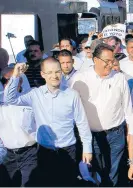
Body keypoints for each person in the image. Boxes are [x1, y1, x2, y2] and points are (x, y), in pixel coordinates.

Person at [4, 57, 92, 186]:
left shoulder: (72, 95)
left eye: (57, 72)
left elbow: (82, 123)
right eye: (49, 72)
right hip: (44, 152)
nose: (54, 76)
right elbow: (10, 99)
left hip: (68, 150)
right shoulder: (35, 94)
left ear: (61, 72)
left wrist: (87, 149)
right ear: (42, 74)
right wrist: (16, 74)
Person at [70, 43, 133, 186]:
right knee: (96, 172)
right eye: (107, 61)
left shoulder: (119, 78)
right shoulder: (80, 78)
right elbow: (71, 108)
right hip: (92, 137)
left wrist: (130, 133)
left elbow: (127, 108)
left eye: (113, 61)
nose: (111, 65)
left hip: (116, 135)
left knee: (113, 173)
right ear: (95, 59)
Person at [0, 67, 38, 187]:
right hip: (7, 156)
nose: (8, 84)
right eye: (4, 81)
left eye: (11, 80)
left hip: (29, 153)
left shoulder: (29, 99)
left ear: (20, 81)